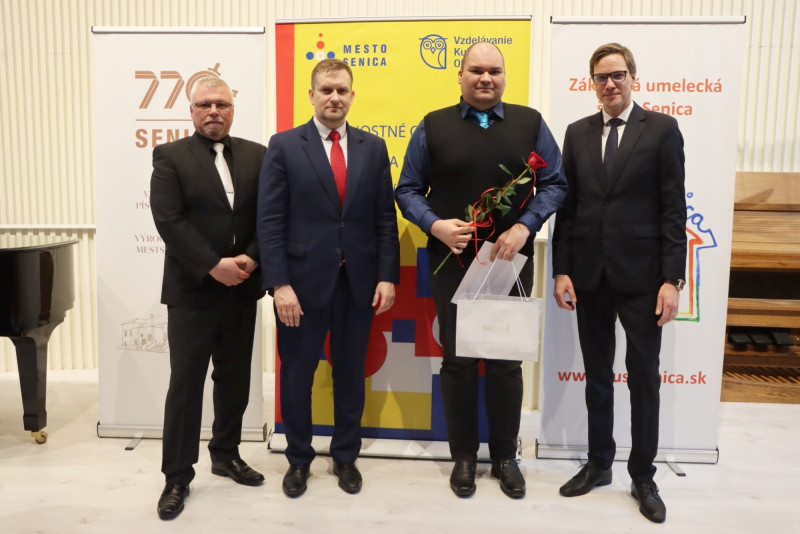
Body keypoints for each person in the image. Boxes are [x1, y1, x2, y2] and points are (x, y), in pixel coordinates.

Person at [395, 42, 567, 499]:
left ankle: (506, 457)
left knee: (507, 362)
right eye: (476, 70)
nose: (485, 78)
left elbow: (555, 183)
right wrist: (435, 224)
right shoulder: (433, 125)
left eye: (494, 70)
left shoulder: (531, 123)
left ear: (504, 76)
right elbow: (407, 189)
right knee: (459, 361)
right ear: (460, 75)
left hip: (510, 263)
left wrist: (526, 226)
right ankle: (464, 458)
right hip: (452, 262)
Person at [551, 43, 686, 524]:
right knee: (597, 377)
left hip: (643, 278)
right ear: (592, 83)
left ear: (633, 78)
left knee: (643, 377)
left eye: (618, 75)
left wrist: (672, 279)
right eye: (601, 77)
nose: (610, 84)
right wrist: (561, 269)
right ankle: (599, 463)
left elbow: (673, 209)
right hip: (589, 276)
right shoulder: (577, 133)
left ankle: (643, 475)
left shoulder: (662, 129)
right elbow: (567, 209)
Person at [257, 59, 400, 498]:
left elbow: (384, 218)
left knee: (351, 373)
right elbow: (269, 220)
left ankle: (345, 456)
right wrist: (279, 285)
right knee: (297, 375)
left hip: (357, 283)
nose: (334, 98)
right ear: (312, 95)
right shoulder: (284, 146)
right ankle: (299, 459)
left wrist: (387, 277)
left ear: (352, 95)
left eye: (342, 90)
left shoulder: (373, 148)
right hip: (299, 287)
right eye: (326, 90)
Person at [150, 76, 267, 520]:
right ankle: (177, 476)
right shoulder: (170, 156)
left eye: (222, 104)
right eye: (205, 104)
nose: (213, 111)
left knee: (234, 378)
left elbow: (268, 215)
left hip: (242, 287)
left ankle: (226, 454)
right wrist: (214, 265)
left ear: (233, 109)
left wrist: (252, 257)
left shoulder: (258, 155)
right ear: (192, 110)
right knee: (186, 384)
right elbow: (169, 220)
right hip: (192, 291)